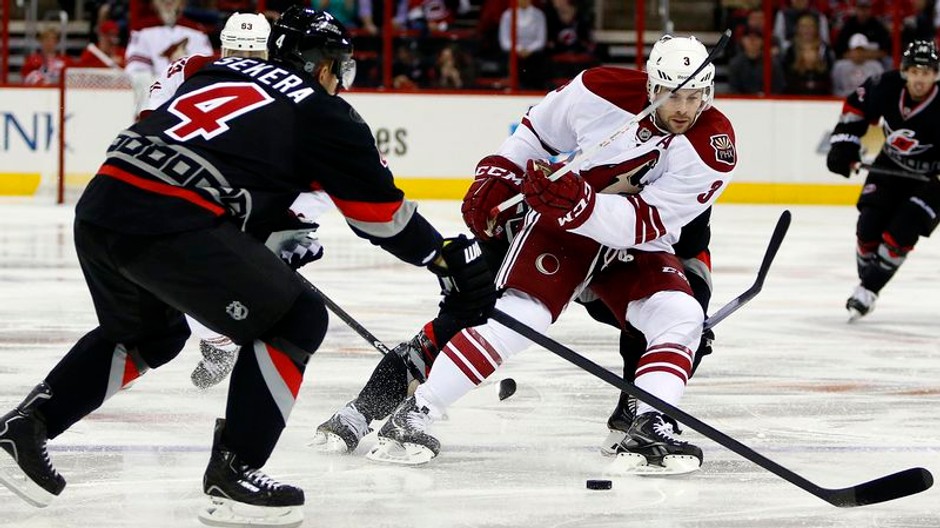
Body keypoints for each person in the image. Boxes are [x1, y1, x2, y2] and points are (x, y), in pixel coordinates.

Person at [0, 7, 495, 528]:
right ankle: (234, 472)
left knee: (150, 333)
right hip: (171, 220)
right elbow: (382, 219)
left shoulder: (215, 69)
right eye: (338, 68)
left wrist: (264, 226)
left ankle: (28, 427)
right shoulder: (323, 112)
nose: (339, 81)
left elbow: (207, 151)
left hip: (104, 200)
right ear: (322, 66)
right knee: (297, 319)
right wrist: (444, 259)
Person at [360, 35, 736, 473]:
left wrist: (584, 204)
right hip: (561, 226)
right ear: (651, 86)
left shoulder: (713, 146)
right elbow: (536, 134)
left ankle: (648, 424)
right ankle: (415, 413)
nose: (685, 109)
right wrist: (499, 173)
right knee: (522, 316)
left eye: (695, 97)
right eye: (674, 96)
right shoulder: (599, 89)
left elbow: (646, 222)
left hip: (632, 238)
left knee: (680, 317)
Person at [826, 40, 940, 321]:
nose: (920, 79)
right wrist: (845, 147)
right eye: (915, 71)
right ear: (904, 71)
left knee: (902, 230)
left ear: (936, 75)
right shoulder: (884, 85)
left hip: (932, 178)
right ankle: (870, 279)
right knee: (867, 229)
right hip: (891, 165)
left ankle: (867, 290)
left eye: (926, 73)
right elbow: (855, 108)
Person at [124, 0, 213, 113]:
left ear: (183, 2)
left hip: (188, 100)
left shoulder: (197, 31)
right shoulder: (142, 30)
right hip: (154, 100)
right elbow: (136, 70)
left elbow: (206, 70)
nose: (168, 1)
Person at [830, 33, 884, 97]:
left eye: (862, 50)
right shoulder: (839, 67)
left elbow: (880, 88)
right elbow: (835, 89)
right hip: (845, 100)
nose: (859, 53)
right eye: (856, 50)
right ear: (850, 51)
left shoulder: (876, 66)